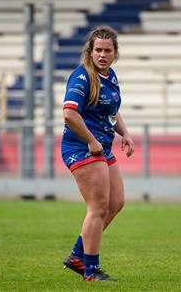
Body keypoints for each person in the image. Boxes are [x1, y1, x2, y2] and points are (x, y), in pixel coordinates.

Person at [61, 25, 134, 282]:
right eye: (98, 50)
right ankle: (91, 271)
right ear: (90, 52)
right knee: (98, 206)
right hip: (82, 146)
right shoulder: (82, 77)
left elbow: (112, 111)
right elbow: (70, 114)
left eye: (107, 50)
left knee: (116, 203)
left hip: (101, 145)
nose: (102, 55)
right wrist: (91, 140)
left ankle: (77, 255)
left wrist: (124, 133)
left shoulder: (110, 76)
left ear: (115, 54)